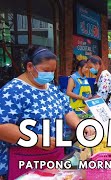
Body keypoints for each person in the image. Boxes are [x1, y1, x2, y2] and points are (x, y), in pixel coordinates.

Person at [0, 47, 94, 179]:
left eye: (52, 71)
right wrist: (35, 139)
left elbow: (66, 110)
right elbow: (2, 127)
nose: (50, 75)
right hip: (26, 160)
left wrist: (80, 125)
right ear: (30, 66)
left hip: (56, 157)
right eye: (46, 70)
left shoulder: (51, 89)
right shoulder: (13, 91)